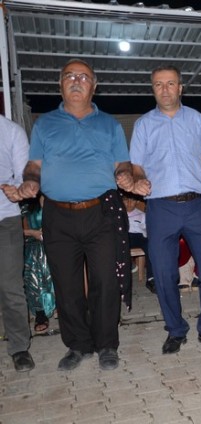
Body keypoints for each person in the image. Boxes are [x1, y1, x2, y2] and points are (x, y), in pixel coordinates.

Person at [11, 59, 133, 371]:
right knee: (66, 283)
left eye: (83, 77)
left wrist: (125, 175)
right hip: (58, 214)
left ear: (94, 86)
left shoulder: (110, 125)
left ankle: (107, 344)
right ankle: (78, 345)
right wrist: (30, 182)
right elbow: (34, 165)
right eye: (69, 76)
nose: (76, 81)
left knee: (105, 280)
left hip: (101, 213)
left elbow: (122, 162)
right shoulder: (45, 124)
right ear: (60, 84)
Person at [129, 65, 201, 354]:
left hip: (197, 205)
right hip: (160, 206)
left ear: (180, 88)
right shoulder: (143, 124)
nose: (165, 89)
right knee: (164, 274)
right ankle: (175, 330)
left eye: (170, 83)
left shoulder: (196, 119)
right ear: (153, 89)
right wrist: (139, 179)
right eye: (158, 84)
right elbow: (136, 165)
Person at [0, 114, 35, 372]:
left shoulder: (12, 132)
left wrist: (15, 189)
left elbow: (25, 176)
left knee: (10, 285)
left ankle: (19, 347)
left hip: (5, 218)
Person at [22, 194, 56, 333]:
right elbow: (20, 230)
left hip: (55, 239)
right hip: (33, 242)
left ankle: (61, 305)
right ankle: (40, 311)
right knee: (36, 259)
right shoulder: (24, 205)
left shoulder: (51, 197)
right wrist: (33, 232)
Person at [123, 193, 155, 293]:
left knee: (150, 246)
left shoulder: (141, 215)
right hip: (124, 236)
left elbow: (146, 229)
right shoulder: (118, 214)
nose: (129, 203)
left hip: (139, 237)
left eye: (132, 200)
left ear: (137, 201)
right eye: (126, 200)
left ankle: (151, 278)